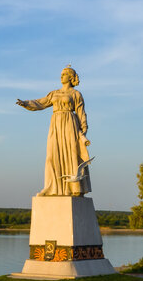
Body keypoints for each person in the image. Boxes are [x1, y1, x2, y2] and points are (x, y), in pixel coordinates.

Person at [16, 66, 92, 196]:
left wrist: (83, 131)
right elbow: (41, 103)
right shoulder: (54, 93)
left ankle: (74, 188)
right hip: (56, 125)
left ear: (71, 77)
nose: (61, 76)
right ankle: (51, 187)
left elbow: (81, 113)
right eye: (61, 74)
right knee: (52, 155)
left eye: (64, 74)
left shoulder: (76, 94)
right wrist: (26, 103)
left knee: (71, 154)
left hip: (70, 125)